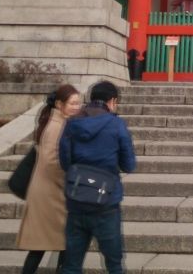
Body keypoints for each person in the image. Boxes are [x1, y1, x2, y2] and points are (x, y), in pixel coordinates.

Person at [59, 81, 137, 274]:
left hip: (77, 200)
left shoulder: (72, 123)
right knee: (114, 265)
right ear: (112, 101)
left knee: (71, 265)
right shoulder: (117, 124)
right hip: (106, 203)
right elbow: (129, 164)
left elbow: (64, 161)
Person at [17, 84, 81, 274]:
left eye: (79, 103)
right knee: (58, 243)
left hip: (49, 192)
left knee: (52, 244)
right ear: (60, 104)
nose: (77, 107)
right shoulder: (57, 127)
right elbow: (53, 162)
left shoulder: (58, 122)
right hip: (51, 194)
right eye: (73, 103)